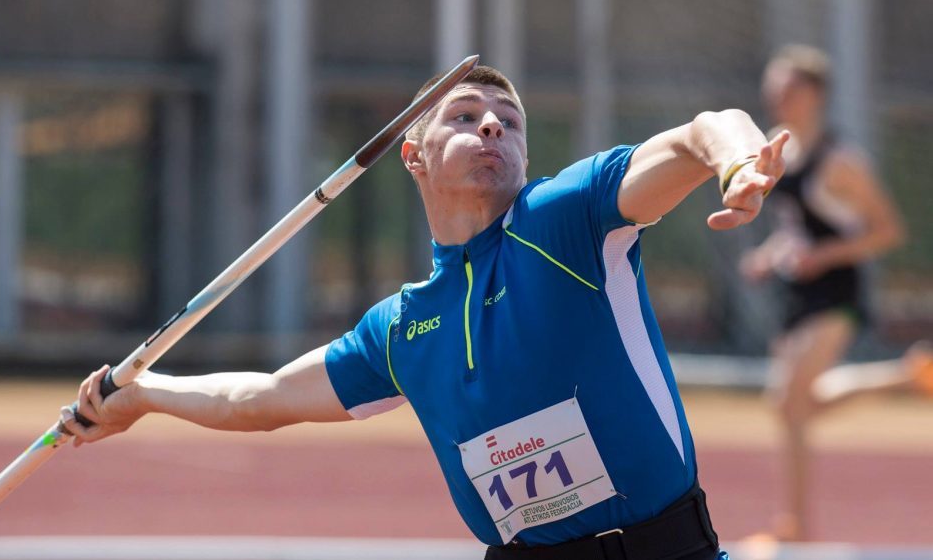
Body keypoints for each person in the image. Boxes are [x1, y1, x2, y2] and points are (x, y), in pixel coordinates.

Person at [62, 64, 788, 560]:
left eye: (510, 120)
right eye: (466, 116)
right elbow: (261, 397)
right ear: (412, 154)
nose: (493, 128)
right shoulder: (402, 329)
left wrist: (737, 161)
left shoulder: (564, 221)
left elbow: (706, 129)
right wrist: (146, 397)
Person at [740, 44, 933, 542]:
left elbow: (888, 230)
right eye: (774, 85)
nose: (778, 95)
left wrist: (822, 257)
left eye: (791, 87)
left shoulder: (841, 161)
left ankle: (798, 525)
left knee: (788, 401)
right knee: (798, 403)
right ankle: (906, 377)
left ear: (817, 95)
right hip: (795, 294)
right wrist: (770, 254)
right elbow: (796, 226)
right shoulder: (774, 147)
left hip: (837, 293)